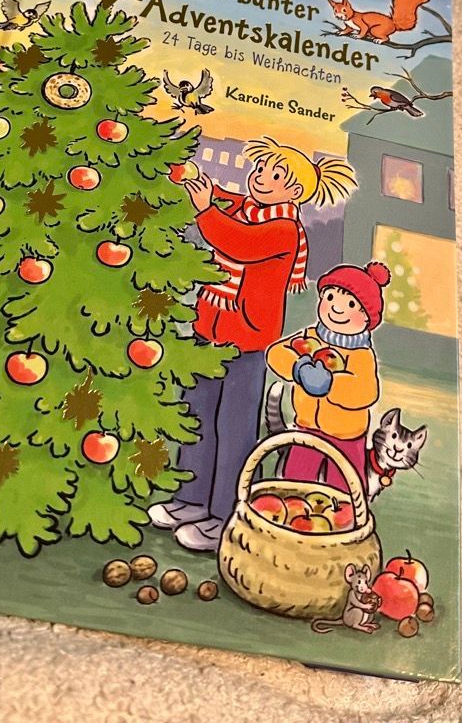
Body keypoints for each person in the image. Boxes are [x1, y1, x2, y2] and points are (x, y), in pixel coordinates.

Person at [148, 136, 356, 551]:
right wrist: (188, 178)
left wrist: (205, 210)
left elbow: (238, 242)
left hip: (246, 342)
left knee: (233, 430)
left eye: (276, 175)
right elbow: (221, 199)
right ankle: (190, 498)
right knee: (196, 416)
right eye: (261, 169)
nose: (262, 177)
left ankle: (223, 515)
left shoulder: (284, 230)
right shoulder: (246, 207)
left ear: (294, 192)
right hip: (209, 330)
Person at [266, 261, 389, 493]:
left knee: (344, 489)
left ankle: (345, 514)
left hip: (346, 437)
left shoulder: (361, 355)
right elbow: (276, 353)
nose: (337, 308)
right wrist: (298, 368)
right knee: (294, 484)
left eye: (350, 304)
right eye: (330, 297)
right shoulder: (311, 337)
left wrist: (330, 384)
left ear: (366, 318)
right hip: (306, 427)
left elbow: (365, 391)